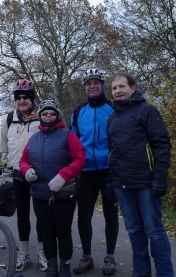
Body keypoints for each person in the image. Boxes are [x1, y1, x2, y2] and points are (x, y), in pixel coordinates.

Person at [107, 72, 174, 277]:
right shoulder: (112, 118)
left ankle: (165, 273)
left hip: (146, 183)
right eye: (114, 88)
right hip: (122, 185)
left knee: (154, 232)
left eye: (121, 87)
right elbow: (113, 152)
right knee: (135, 232)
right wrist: (112, 182)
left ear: (133, 88)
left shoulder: (147, 111)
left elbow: (162, 145)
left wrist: (160, 178)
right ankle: (140, 273)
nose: (118, 91)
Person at [20, 100, 86, 277]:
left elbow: (80, 158)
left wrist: (64, 175)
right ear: (40, 116)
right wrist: (27, 170)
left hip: (63, 192)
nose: (48, 116)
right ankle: (52, 266)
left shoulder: (68, 135)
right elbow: (23, 160)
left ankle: (64, 266)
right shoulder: (33, 139)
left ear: (57, 115)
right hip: (40, 193)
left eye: (52, 113)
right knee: (47, 230)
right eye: (44, 113)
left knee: (63, 231)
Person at [70, 69, 119, 276]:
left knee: (110, 214)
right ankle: (87, 257)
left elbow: (121, 138)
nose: (92, 86)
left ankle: (110, 257)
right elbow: (72, 142)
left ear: (102, 85)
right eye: (88, 83)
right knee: (84, 216)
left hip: (109, 170)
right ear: (84, 88)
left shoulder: (114, 109)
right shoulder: (79, 111)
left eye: (96, 83)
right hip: (86, 171)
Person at [0, 79, 49, 272]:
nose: (22, 100)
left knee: (42, 215)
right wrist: (6, 159)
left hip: (38, 175)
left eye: (26, 97)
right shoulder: (10, 118)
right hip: (18, 174)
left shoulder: (41, 117)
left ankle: (42, 252)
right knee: (23, 215)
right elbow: (3, 142)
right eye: (18, 97)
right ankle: (24, 253)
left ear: (32, 99)